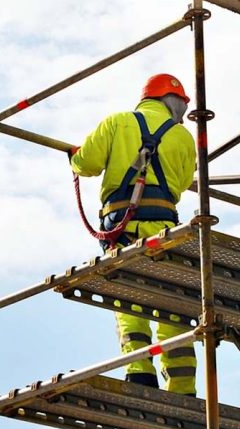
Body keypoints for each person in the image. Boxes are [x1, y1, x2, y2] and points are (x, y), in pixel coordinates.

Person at [69, 73, 197, 396]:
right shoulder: (183, 138)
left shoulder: (117, 123)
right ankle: (182, 388)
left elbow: (85, 163)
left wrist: (74, 156)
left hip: (122, 231)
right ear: (173, 101)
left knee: (130, 301)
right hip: (166, 230)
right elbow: (181, 183)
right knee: (172, 305)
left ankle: (139, 373)